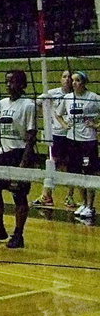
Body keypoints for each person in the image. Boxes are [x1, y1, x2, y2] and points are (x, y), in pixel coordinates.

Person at [0, 70, 37, 249]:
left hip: (19, 154)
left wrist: (23, 163)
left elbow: (30, 137)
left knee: (19, 195)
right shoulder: (2, 103)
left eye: (12, 82)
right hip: (2, 155)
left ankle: (18, 235)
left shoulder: (29, 105)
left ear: (22, 85)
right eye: (7, 82)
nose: (8, 85)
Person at [55, 70, 99, 219]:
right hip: (72, 140)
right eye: (72, 80)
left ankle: (90, 206)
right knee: (77, 172)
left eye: (77, 80)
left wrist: (96, 125)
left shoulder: (93, 98)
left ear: (84, 82)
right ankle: (83, 203)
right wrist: (64, 124)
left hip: (88, 142)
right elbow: (58, 113)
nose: (74, 83)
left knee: (88, 172)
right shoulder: (68, 98)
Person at [32, 69, 75, 208]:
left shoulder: (77, 95)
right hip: (55, 134)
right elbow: (36, 104)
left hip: (72, 134)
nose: (67, 79)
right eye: (64, 76)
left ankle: (70, 196)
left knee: (71, 165)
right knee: (52, 163)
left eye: (70, 77)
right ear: (60, 79)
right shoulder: (51, 93)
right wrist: (46, 117)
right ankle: (46, 196)